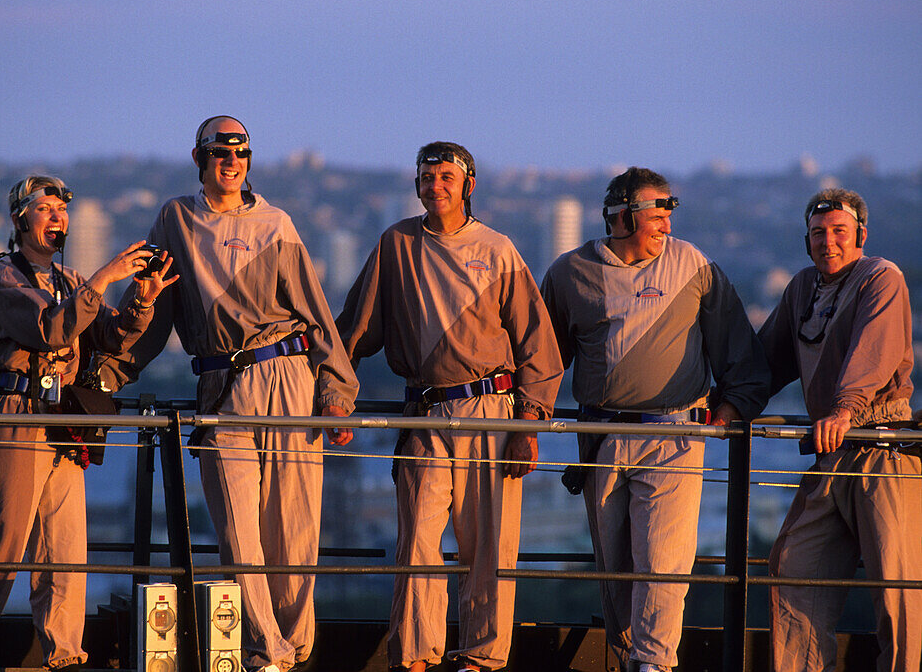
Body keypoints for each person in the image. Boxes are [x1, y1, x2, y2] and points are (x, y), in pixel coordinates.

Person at [99, 116, 359, 672]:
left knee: (293, 531)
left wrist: (336, 390)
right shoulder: (175, 218)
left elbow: (314, 314)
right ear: (199, 159)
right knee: (238, 531)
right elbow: (154, 312)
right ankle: (269, 649)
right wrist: (107, 376)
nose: (230, 161)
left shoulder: (276, 223)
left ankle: (295, 649)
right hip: (221, 386)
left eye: (239, 152)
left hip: (288, 376)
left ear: (249, 159)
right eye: (219, 152)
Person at [0, 175, 177, 672]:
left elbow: (111, 336)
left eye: (62, 210)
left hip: (62, 423)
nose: (57, 217)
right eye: (45, 209)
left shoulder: (68, 282)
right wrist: (105, 276)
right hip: (16, 421)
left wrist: (142, 298)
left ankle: (64, 658)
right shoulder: (4, 279)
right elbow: (51, 330)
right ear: (21, 219)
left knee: (64, 553)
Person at [336, 142, 563, 672]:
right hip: (423, 413)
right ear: (416, 184)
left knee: (487, 548)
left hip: (491, 411)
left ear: (468, 184)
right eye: (426, 177)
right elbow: (353, 330)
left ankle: (481, 658)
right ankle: (415, 656)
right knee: (416, 542)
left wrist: (528, 424)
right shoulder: (396, 244)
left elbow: (539, 348)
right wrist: (334, 396)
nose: (435, 186)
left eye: (445, 176)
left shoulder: (500, 249)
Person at [540, 167, 769, 672]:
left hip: (675, 434)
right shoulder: (568, 272)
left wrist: (727, 412)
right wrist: (527, 420)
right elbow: (541, 359)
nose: (667, 225)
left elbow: (739, 350)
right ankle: (630, 661)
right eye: (656, 214)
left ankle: (655, 664)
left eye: (670, 213)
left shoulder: (693, 264)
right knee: (616, 568)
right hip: (599, 435)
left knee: (664, 562)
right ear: (622, 217)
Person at [758, 188, 920, 672]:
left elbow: (875, 350)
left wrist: (845, 408)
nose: (828, 242)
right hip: (833, 453)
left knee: (899, 588)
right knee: (793, 568)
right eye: (818, 234)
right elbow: (763, 362)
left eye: (839, 233)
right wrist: (722, 404)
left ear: (861, 236)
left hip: (880, 447)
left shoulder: (881, 276)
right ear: (806, 241)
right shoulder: (802, 288)